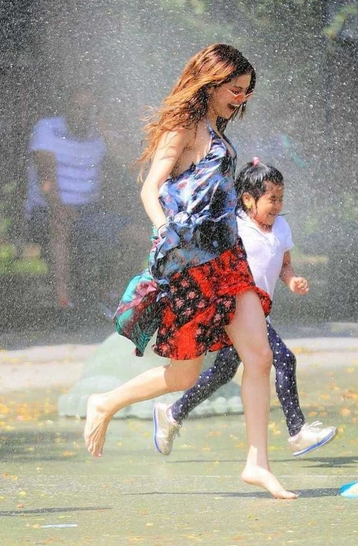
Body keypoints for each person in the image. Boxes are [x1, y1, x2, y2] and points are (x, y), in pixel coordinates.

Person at [84, 44, 297, 499]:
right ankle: (105, 402)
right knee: (183, 376)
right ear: (212, 82)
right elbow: (151, 188)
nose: (241, 99)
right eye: (235, 90)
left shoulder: (215, 129)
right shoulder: (184, 126)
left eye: (246, 92)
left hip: (228, 259)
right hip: (191, 264)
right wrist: (163, 229)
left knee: (258, 356)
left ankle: (257, 463)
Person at [152, 159, 337, 457]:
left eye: (281, 198)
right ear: (248, 200)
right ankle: (297, 431)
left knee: (223, 372)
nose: (277, 205)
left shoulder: (282, 228)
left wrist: (292, 281)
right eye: (271, 199)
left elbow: (284, 266)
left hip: (256, 314)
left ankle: (172, 414)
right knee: (284, 359)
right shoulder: (235, 227)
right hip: (238, 308)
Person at [24, 85, 108, 310]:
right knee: (60, 224)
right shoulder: (47, 128)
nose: (83, 113)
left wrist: (108, 133)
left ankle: (116, 295)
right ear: (68, 108)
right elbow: (46, 176)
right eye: (79, 108)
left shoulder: (101, 132)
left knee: (135, 233)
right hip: (48, 209)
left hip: (90, 210)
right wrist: (59, 207)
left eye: (89, 109)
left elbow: (134, 163)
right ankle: (62, 297)